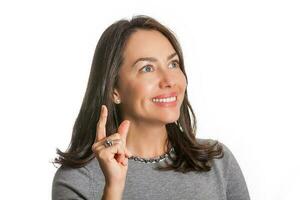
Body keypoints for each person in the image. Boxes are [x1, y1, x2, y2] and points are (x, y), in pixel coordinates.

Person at [52, 15, 250, 200]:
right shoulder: (78, 180)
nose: (169, 80)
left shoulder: (217, 161)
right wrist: (113, 188)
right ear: (114, 90)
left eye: (173, 64)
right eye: (147, 68)